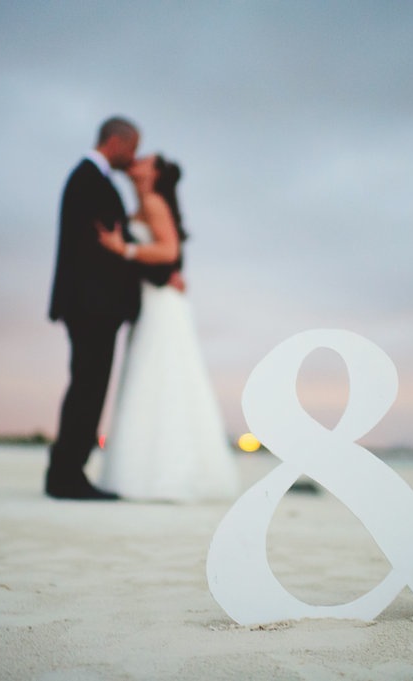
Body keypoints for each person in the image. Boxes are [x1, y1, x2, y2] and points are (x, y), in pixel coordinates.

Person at [94, 154, 240, 502]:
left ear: (154, 172)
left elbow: (168, 250)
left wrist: (123, 249)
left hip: (161, 304)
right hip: (150, 299)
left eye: (144, 160)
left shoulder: (154, 202)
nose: (136, 161)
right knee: (150, 378)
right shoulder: (144, 203)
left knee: (164, 377)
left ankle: (165, 474)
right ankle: (143, 472)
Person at [45, 116, 141, 500]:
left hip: (91, 306)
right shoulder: (88, 179)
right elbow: (97, 250)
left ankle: (67, 472)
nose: (133, 156)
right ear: (116, 141)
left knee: (87, 387)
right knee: (88, 388)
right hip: (92, 308)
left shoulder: (89, 179)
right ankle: (67, 476)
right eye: (132, 147)